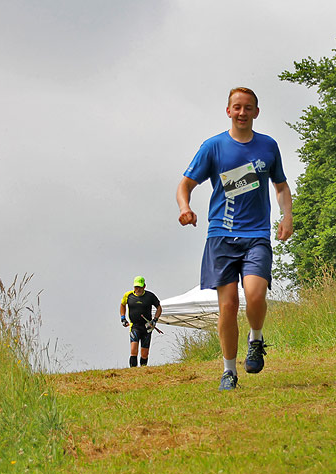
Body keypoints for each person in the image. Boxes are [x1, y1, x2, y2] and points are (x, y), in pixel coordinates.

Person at [176, 86, 293, 390]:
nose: (242, 113)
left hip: (256, 235)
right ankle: (229, 371)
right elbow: (185, 185)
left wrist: (287, 215)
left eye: (248, 107)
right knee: (227, 306)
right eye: (237, 107)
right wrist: (185, 208)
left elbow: (280, 186)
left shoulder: (268, 147)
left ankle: (256, 338)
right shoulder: (213, 147)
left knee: (255, 295)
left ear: (256, 112)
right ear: (228, 111)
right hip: (221, 236)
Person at [120, 276, 162, 367]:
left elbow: (159, 308)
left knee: (144, 353)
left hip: (147, 327)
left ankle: (143, 371)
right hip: (135, 326)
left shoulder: (150, 296)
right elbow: (122, 305)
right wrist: (123, 318)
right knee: (133, 350)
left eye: (140, 287)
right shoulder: (128, 295)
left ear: (144, 286)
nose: (138, 289)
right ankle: (133, 371)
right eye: (136, 287)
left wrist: (155, 320)